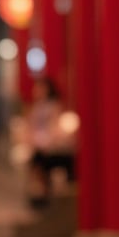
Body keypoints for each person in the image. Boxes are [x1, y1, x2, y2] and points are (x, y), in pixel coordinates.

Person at [24, 75, 76, 206]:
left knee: (40, 160)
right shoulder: (36, 107)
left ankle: (44, 194)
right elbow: (31, 126)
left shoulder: (54, 106)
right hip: (41, 144)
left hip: (53, 146)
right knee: (37, 159)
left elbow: (55, 128)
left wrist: (46, 140)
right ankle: (40, 193)